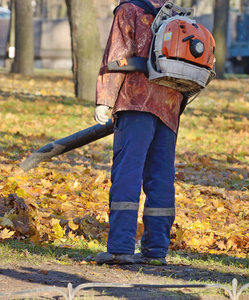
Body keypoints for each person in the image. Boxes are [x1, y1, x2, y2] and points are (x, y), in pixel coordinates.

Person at [94, 0, 183, 265]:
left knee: (128, 174)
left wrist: (104, 100)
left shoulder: (129, 10)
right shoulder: (176, 13)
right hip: (169, 105)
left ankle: (120, 248)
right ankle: (156, 252)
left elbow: (116, 57)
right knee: (161, 178)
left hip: (135, 101)